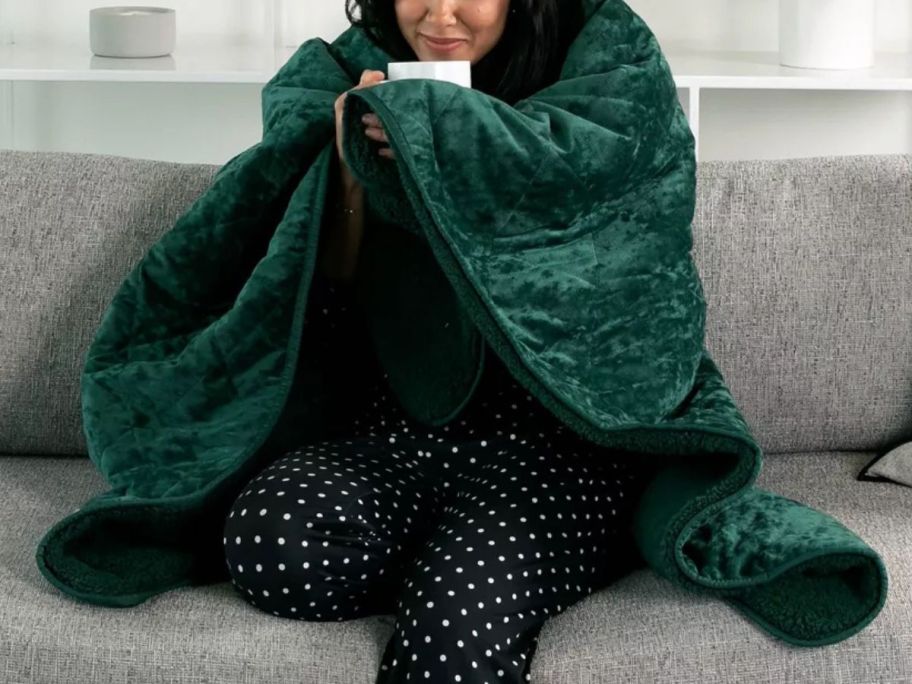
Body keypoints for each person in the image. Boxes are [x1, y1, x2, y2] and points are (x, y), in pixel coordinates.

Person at [222, 1, 657, 682]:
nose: (441, 13)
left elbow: (623, 226)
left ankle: (471, 565)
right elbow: (329, 283)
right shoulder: (356, 69)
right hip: (399, 427)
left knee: (454, 628)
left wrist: (466, 141)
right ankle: (448, 552)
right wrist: (351, 160)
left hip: (553, 443)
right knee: (271, 542)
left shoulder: (598, 63)